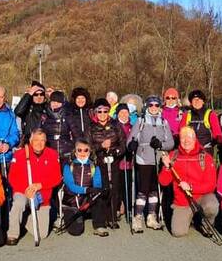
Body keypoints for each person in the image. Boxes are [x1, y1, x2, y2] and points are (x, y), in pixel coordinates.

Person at [159, 126, 219, 237]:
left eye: (189, 137)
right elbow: (163, 182)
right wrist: (167, 167)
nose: (186, 141)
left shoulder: (205, 157)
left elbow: (211, 185)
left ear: (195, 138)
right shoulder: (173, 156)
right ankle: (191, 217)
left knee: (211, 205)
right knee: (178, 233)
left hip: (201, 197)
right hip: (182, 201)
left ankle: (204, 223)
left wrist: (191, 187)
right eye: (183, 138)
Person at [6, 129, 61, 245]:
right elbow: (12, 177)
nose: (39, 143)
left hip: (43, 194)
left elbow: (57, 177)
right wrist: (26, 189)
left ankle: (26, 215)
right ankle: (12, 234)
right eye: (36, 140)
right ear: (31, 140)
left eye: (42, 140)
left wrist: (40, 185)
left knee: (42, 234)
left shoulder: (52, 154)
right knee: (19, 204)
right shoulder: (20, 154)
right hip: (23, 191)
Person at [127, 95, 174, 232]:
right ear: (147, 106)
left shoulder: (164, 122)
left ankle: (151, 216)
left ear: (160, 107)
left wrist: (161, 145)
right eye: (151, 105)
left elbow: (170, 143)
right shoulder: (141, 121)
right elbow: (131, 139)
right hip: (143, 158)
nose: (154, 107)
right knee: (143, 189)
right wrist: (132, 145)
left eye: (157, 105)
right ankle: (138, 216)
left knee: (154, 189)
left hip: (158, 159)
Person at [86, 98, 126, 229]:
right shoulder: (91, 127)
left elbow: (123, 144)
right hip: (98, 162)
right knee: (102, 189)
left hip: (113, 161)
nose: (102, 114)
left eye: (105, 111)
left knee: (114, 189)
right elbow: (87, 148)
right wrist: (100, 146)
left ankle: (112, 217)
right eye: (100, 111)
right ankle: (101, 218)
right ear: (95, 112)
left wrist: (115, 151)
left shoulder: (115, 125)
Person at [60, 139, 108, 236]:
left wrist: (96, 190)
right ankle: (71, 217)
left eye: (86, 150)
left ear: (90, 152)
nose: (83, 153)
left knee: (98, 197)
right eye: (79, 150)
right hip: (72, 200)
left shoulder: (93, 165)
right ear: (75, 151)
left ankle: (99, 225)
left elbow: (97, 183)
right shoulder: (69, 165)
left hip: (87, 200)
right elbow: (71, 185)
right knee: (76, 232)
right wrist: (86, 189)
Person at [41, 90, 73, 161]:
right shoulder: (45, 116)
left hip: (66, 152)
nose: (55, 104)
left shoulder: (68, 115)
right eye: (53, 102)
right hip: (49, 152)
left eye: (58, 102)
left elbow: (75, 132)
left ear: (62, 103)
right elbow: (40, 131)